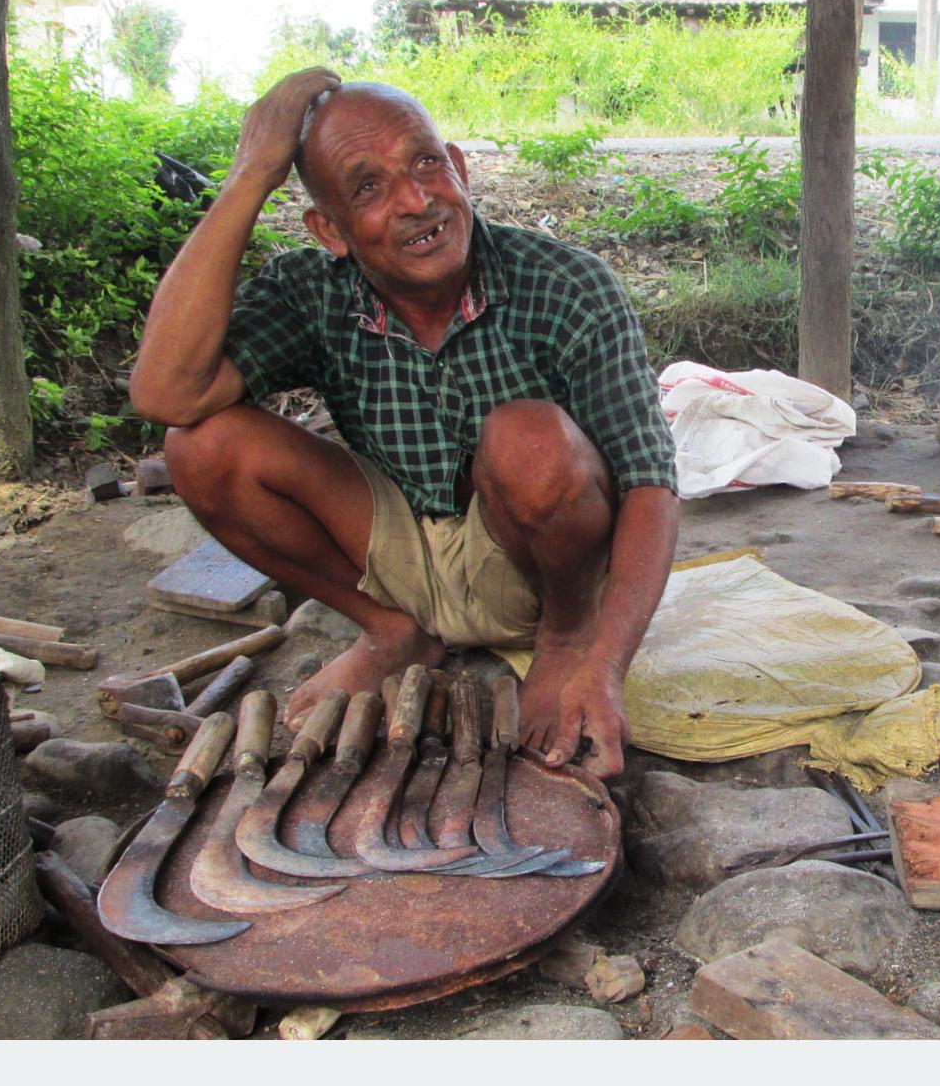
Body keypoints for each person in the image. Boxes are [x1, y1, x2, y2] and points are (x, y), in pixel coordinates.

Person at [129, 68, 679, 780]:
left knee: (527, 438)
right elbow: (167, 392)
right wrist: (249, 178)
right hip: (394, 549)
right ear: (329, 230)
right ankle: (396, 634)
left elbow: (650, 484)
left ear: (461, 167)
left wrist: (602, 664)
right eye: (367, 187)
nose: (417, 201)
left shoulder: (565, 282)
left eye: (426, 163)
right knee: (199, 445)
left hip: (538, 566)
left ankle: (564, 639)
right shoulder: (310, 293)